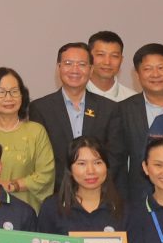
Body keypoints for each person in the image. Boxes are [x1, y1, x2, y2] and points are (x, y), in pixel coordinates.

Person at [31, 40, 128, 193]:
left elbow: (115, 156)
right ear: (58, 67)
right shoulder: (40, 108)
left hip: (100, 193)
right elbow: (40, 158)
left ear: (91, 69)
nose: (75, 70)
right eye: (68, 63)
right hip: (56, 193)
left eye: (82, 64)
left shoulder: (109, 108)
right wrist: (68, 186)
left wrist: (93, 183)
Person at [113, 44, 163, 199]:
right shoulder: (122, 110)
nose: (155, 74)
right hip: (139, 199)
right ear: (137, 75)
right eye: (147, 69)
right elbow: (118, 164)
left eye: (161, 68)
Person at [0, 67, 56, 207]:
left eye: (14, 91)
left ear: (22, 96)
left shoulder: (36, 131)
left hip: (27, 209)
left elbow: (46, 174)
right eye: (1, 92)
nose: (8, 98)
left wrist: (13, 185)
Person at [88, 32, 135, 102]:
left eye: (114, 56)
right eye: (100, 54)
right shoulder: (75, 94)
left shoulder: (132, 99)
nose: (107, 62)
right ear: (88, 57)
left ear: (121, 60)